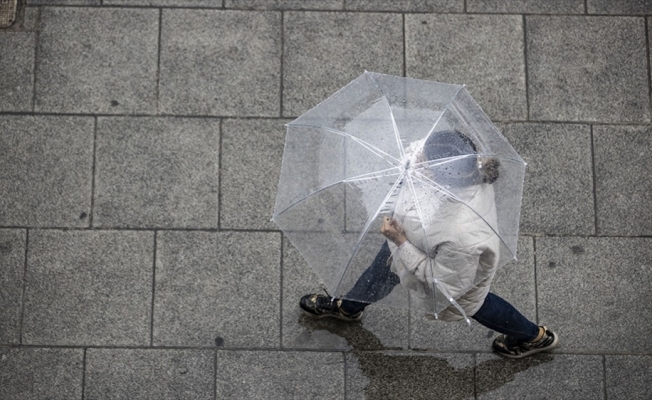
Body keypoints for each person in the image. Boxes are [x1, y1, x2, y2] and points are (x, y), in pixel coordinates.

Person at [300, 130, 559, 359]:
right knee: (380, 272)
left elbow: (443, 282)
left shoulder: (461, 235)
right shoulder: (461, 167)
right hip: (412, 243)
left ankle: (534, 337)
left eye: (425, 158)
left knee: (477, 305)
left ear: (444, 172)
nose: (419, 156)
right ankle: (348, 307)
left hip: (445, 268)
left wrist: (401, 241)